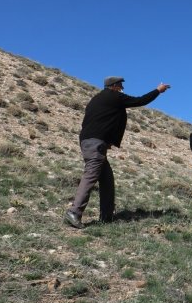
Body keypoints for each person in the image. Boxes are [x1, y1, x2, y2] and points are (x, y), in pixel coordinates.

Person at [64, 76, 170, 228]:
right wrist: (158, 91)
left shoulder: (96, 99)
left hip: (88, 141)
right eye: (120, 85)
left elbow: (93, 121)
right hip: (96, 143)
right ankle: (74, 211)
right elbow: (140, 101)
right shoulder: (114, 96)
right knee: (90, 175)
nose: (122, 88)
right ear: (113, 86)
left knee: (107, 179)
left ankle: (106, 217)